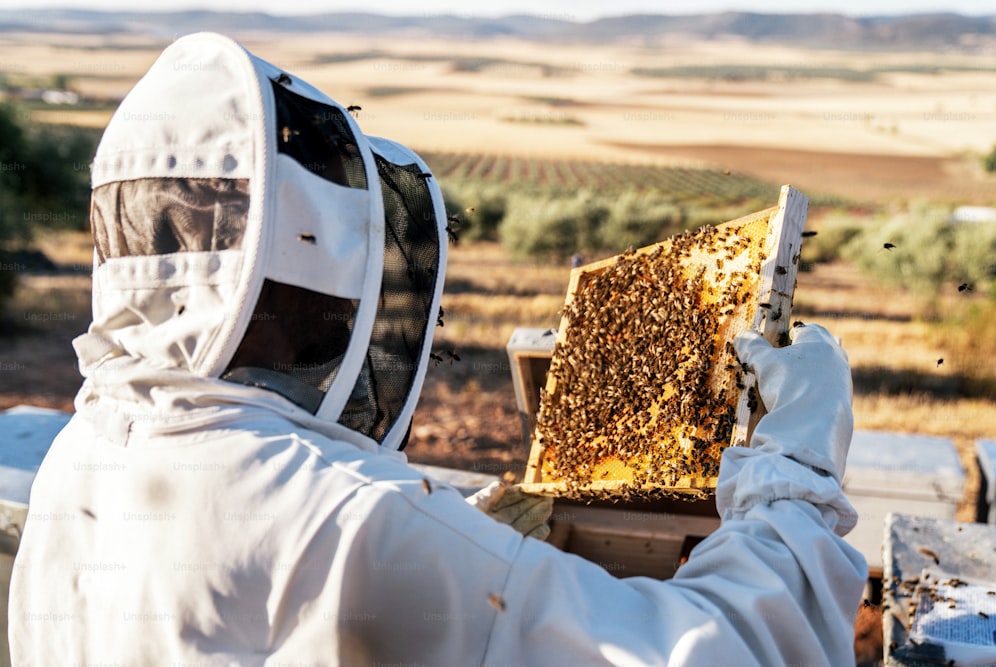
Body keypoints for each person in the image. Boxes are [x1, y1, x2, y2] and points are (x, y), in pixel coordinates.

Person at [9, 32, 867, 666]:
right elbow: (734, 651)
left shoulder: (84, 454)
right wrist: (796, 462)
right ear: (297, 266)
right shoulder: (350, 524)